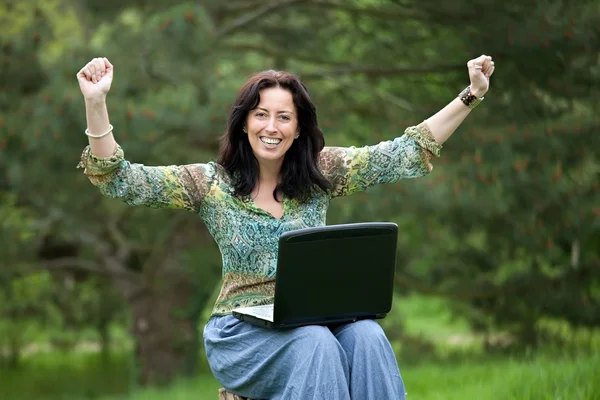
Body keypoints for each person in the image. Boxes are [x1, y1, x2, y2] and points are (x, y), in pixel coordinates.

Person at [76, 54, 495, 400]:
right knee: (315, 342)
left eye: (283, 117)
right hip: (242, 334)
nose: (271, 127)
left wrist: (471, 95)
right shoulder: (209, 182)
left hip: (316, 322)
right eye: (261, 115)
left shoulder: (322, 171)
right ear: (244, 122)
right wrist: (96, 103)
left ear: (298, 129)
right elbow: (120, 179)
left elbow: (406, 151)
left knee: (366, 334)